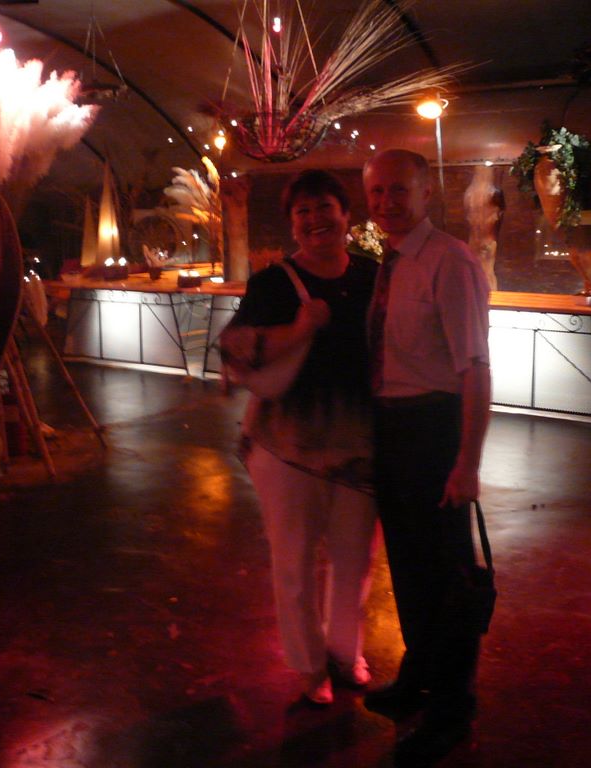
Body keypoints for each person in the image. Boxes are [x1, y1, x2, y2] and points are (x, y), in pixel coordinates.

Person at [220, 170, 379, 707]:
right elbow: (235, 350)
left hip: (359, 446)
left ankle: (346, 651)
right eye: (303, 212)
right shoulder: (272, 284)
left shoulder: (374, 276)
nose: (315, 219)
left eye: (324, 207)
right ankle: (310, 667)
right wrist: (300, 327)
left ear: (346, 215)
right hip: (287, 447)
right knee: (293, 565)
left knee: (355, 562)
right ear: (292, 225)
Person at [361, 149, 492, 764]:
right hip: (392, 429)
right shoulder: (387, 262)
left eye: (398, 190)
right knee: (409, 568)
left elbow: (475, 368)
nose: (386, 202)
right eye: (376, 192)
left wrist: (467, 463)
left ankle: (452, 707)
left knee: (447, 576)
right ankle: (418, 676)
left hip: (433, 429)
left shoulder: (450, 262)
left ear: (426, 194)